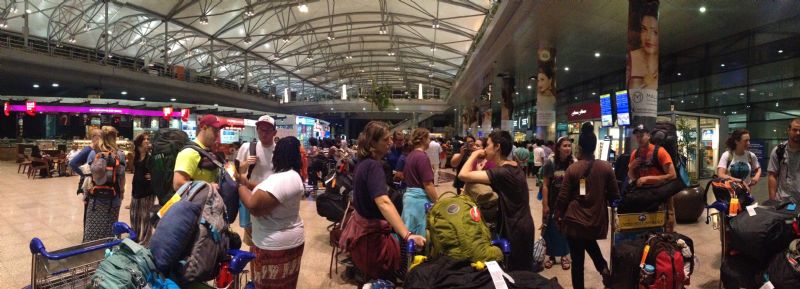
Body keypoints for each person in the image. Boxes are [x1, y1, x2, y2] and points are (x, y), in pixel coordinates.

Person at [339, 121, 425, 281]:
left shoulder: (362, 164)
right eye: (385, 140)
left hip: (363, 236)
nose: (390, 142)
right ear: (373, 143)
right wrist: (407, 234)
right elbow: (383, 202)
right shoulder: (373, 166)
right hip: (372, 241)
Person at [235, 136, 305, 289]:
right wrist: (247, 182)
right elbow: (267, 187)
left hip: (273, 245)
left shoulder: (284, 178)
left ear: (277, 155)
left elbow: (254, 206)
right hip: (289, 242)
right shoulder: (292, 176)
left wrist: (240, 186)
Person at [458, 130, 534, 271]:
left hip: (516, 229)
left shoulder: (503, 172)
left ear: (497, 147)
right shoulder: (512, 166)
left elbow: (463, 175)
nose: (485, 149)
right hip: (520, 224)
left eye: (487, 145)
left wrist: (474, 154)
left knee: (517, 274)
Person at [555, 122, 618, 289]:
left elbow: (563, 197)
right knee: (589, 241)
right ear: (595, 146)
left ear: (580, 147)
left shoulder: (573, 169)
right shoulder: (606, 168)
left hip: (575, 221)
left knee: (577, 262)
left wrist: (557, 215)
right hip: (596, 220)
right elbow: (615, 196)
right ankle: (603, 268)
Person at [627, 124, 677, 232]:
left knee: (666, 225)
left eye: (642, 135)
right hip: (644, 195)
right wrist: (631, 168)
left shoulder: (660, 152)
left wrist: (648, 179)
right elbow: (632, 177)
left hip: (661, 194)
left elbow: (672, 175)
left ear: (649, 136)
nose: (639, 139)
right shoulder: (635, 154)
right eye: (637, 136)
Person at [236, 115, 277, 247]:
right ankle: (254, 263)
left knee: (269, 235)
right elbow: (237, 173)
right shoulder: (247, 147)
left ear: (274, 132)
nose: (263, 133)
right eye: (261, 129)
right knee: (251, 236)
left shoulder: (279, 150)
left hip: (271, 197)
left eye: (267, 130)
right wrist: (246, 164)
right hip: (251, 197)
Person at [84, 126, 127, 242]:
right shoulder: (120, 154)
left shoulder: (94, 153)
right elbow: (122, 177)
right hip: (114, 196)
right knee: (111, 226)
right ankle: (109, 249)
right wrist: (122, 192)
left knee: (93, 227)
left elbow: (88, 174)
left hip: (96, 196)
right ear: (115, 138)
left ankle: (92, 249)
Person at [540, 137, 575, 271]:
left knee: (566, 229)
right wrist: (545, 204)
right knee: (551, 229)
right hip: (553, 202)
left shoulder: (573, 162)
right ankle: (551, 256)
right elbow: (545, 185)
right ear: (558, 147)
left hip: (568, 203)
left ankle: (565, 256)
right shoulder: (550, 163)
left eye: (569, 146)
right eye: (564, 145)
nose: (567, 148)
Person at [401, 128, 439, 237]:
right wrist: (437, 202)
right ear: (423, 139)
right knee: (420, 235)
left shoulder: (411, 155)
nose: (429, 141)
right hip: (419, 202)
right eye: (428, 138)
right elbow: (428, 184)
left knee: (409, 232)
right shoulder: (422, 157)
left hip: (409, 199)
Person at [173, 115, 223, 190]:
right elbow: (178, 184)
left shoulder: (206, 150)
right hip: (195, 201)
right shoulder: (189, 152)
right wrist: (208, 186)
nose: (217, 135)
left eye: (218, 132)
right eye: (215, 131)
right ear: (204, 128)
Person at [130, 132, 155, 245]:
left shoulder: (151, 158)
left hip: (147, 192)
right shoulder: (135, 157)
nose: (146, 141)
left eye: (147, 139)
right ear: (139, 143)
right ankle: (134, 237)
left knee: (146, 218)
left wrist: (153, 175)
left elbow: (159, 171)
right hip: (136, 191)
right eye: (144, 139)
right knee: (134, 215)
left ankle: (145, 241)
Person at [628, 3, 659, 90]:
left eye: (655, 32)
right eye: (644, 29)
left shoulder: (657, 66)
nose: (648, 37)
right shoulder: (632, 57)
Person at [768, 118, 800, 201]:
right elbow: (772, 175)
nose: (798, 133)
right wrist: (772, 200)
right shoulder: (778, 151)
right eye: (794, 130)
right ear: (788, 130)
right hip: (783, 200)